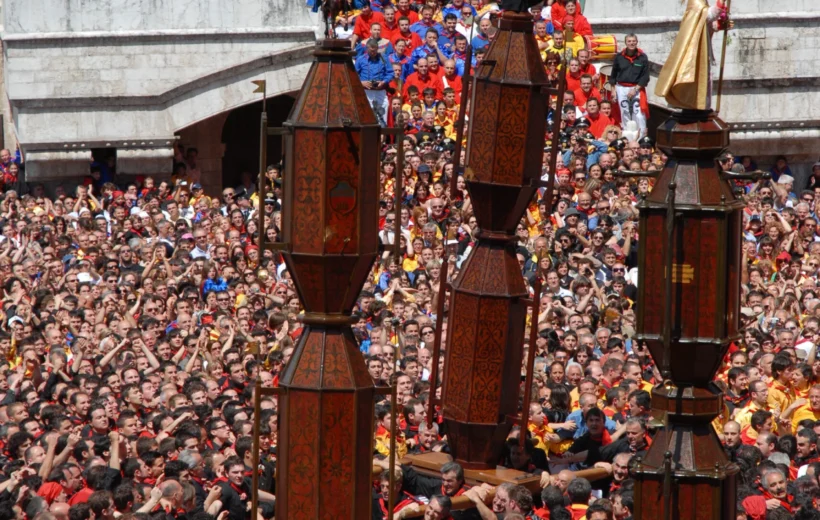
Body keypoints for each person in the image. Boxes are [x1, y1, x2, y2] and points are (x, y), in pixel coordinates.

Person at [607, 34, 650, 137]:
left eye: (633, 41)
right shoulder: (619, 57)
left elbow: (645, 76)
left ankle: (641, 137)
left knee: (639, 114)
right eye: (629, 41)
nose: (632, 43)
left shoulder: (642, 57)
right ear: (626, 43)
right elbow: (613, 75)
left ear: (637, 42)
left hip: (637, 87)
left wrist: (635, 90)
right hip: (621, 87)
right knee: (624, 112)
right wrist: (613, 91)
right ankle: (626, 137)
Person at [356, 39, 395, 126]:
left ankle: (382, 136)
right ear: (367, 49)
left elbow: (390, 73)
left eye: (375, 50)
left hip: (380, 90)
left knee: (382, 116)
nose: (373, 53)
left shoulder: (384, 58)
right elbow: (354, 75)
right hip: (366, 91)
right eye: (371, 51)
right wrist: (361, 82)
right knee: (367, 116)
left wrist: (384, 81)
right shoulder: (360, 59)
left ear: (377, 48)